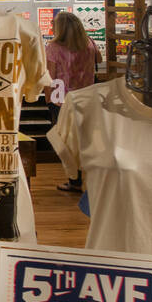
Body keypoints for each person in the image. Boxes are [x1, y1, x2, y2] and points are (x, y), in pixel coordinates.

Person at [45, 11, 102, 192]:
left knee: (66, 142)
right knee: (87, 139)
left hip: (62, 99)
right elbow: (98, 60)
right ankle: (94, 178)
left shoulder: (53, 47)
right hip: (88, 97)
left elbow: (51, 77)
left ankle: (74, 180)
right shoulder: (89, 43)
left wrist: (48, 98)